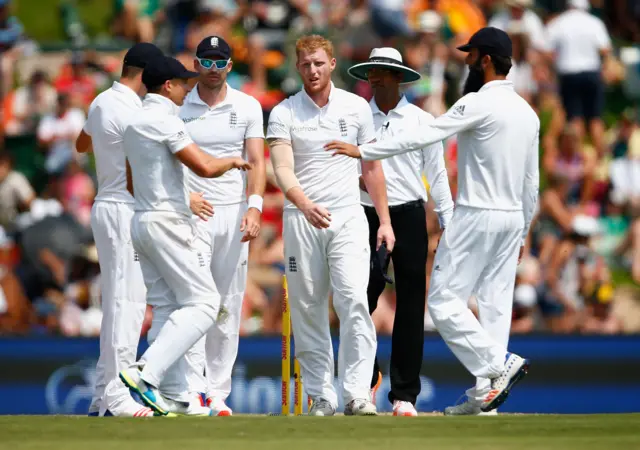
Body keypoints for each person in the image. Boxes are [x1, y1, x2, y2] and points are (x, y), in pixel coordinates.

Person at [325, 27, 539, 415]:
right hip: (507, 219)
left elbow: (423, 138)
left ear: (486, 59)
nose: (467, 61)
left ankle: (493, 366)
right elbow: (532, 182)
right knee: (492, 304)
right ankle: (485, 397)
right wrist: (523, 229)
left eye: (471, 55)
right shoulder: (528, 111)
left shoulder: (475, 102)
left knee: (440, 301)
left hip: (469, 213)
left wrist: (362, 150)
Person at [266, 34, 395, 416]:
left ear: (333, 64)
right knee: (307, 308)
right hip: (301, 218)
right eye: (305, 64)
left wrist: (384, 221)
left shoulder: (356, 108)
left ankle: (357, 393)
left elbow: (372, 169)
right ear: (297, 66)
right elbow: (282, 167)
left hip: (348, 216)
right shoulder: (284, 112)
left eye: (319, 63)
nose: (312, 70)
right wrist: (304, 204)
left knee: (354, 300)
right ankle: (322, 396)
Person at [117, 55, 251, 417]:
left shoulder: (133, 124)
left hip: (142, 222)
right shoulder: (166, 122)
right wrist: (233, 162)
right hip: (169, 224)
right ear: (168, 86)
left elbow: (131, 182)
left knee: (167, 306)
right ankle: (145, 371)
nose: (188, 88)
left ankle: (176, 394)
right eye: (183, 83)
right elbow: (205, 167)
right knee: (206, 303)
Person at [347, 47, 454, 417]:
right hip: (364, 214)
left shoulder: (422, 120)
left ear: (398, 77)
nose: (374, 77)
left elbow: (437, 175)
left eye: (382, 71)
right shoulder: (358, 118)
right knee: (357, 297)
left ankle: (404, 395)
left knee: (410, 304)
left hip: (408, 214)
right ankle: (365, 375)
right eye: (371, 71)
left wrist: (448, 221)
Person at [75, 42, 165, 418]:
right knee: (126, 304)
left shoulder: (100, 101)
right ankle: (117, 394)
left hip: (106, 204)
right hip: (123, 207)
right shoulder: (132, 110)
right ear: (144, 75)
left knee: (119, 302)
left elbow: (82, 144)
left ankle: (101, 394)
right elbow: (134, 173)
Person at [178, 35, 266, 416]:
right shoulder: (177, 103)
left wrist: (256, 207)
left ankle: (217, 393)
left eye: (220, 62)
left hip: (233, 215)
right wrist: (185, 199)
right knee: (197, 302)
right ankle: (192, 389)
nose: (213, 69)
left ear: (230, 65)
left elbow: (258, 161)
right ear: (195, 64)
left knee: (228, 306)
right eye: (206, 61)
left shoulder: (246, 105)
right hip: (193, 214)